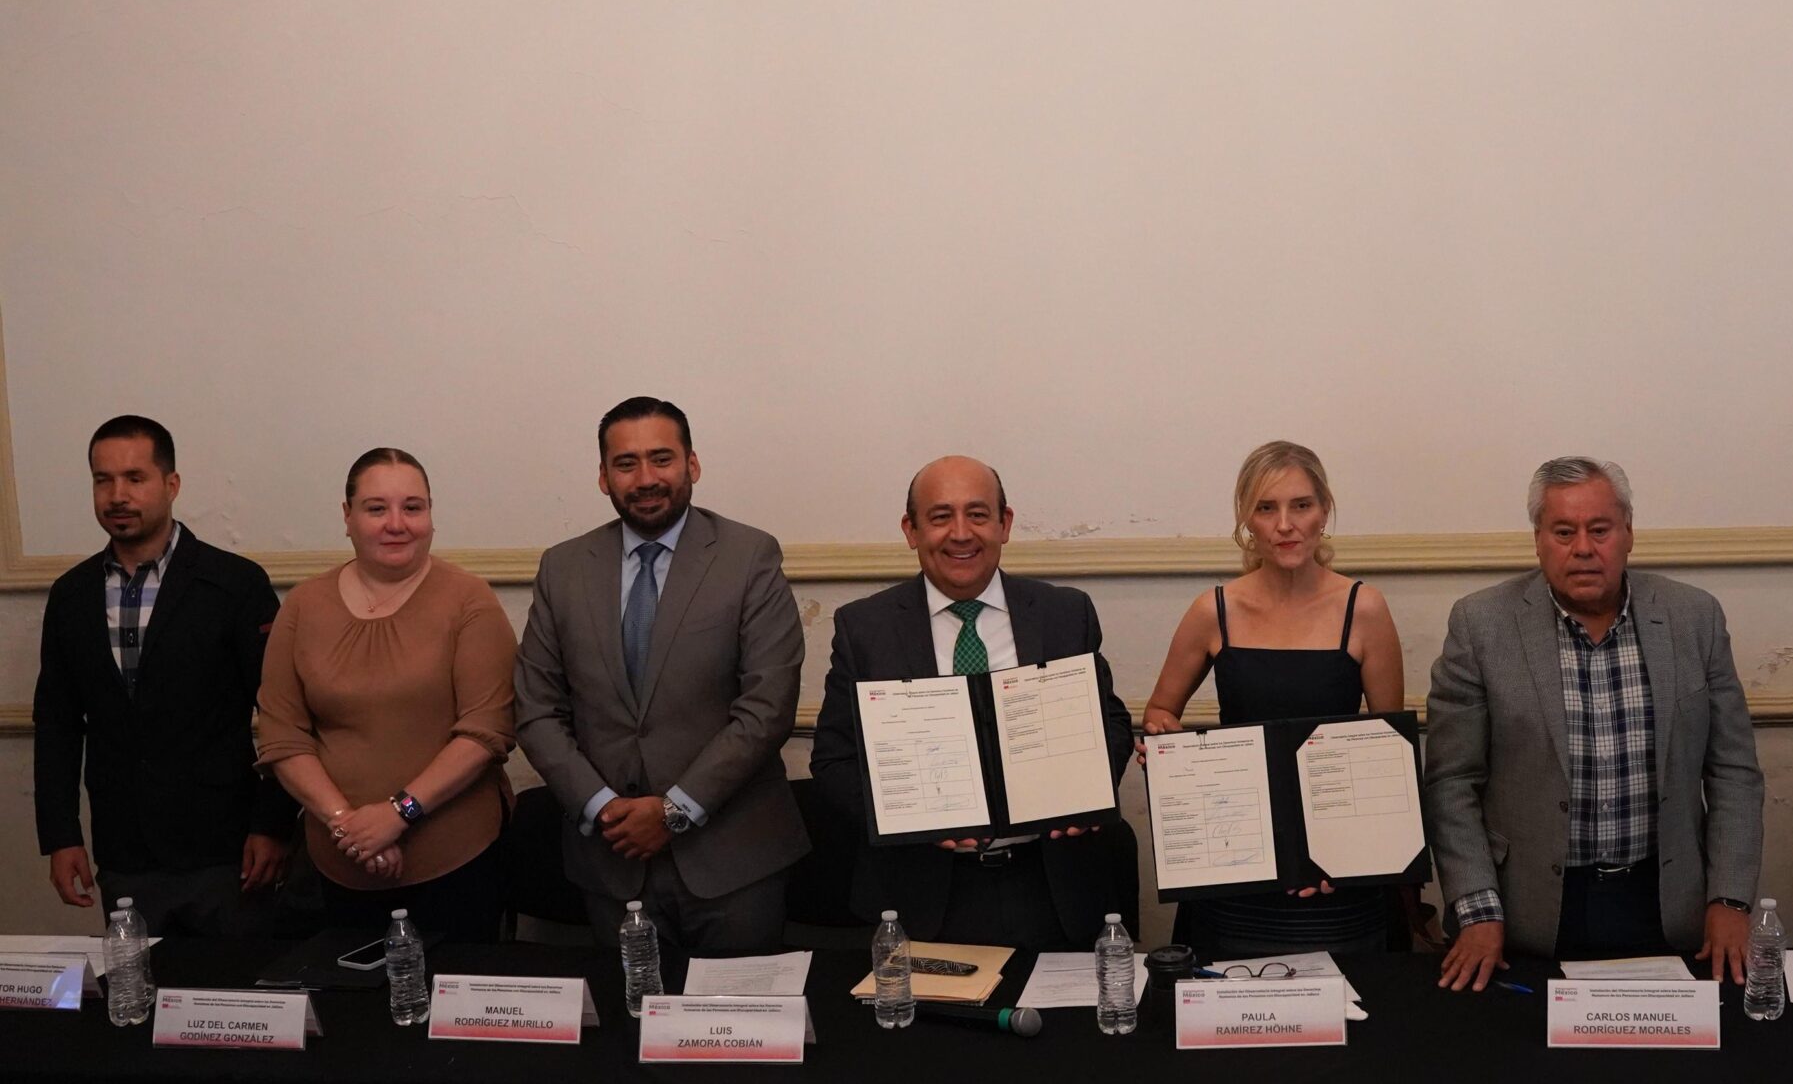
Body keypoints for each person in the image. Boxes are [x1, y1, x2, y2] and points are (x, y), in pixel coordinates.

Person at [1425, 457, 1766, 989]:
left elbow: (1734, 772)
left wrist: (1730, 898)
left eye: (1600, 530)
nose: (1583, 548)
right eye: (1564, 532)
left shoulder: (1694, 618)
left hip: (1670, 906)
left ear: (1628, 533)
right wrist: (1477, 908)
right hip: (1526, 915)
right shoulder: (1481, 625)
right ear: (1538, 540)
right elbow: (1452, 782)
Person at [515, 398, 809, 953]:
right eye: (626, 464)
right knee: (630, 1008)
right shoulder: (563, 567)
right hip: (611, 860)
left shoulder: (749, 556)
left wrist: (673, 810)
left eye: (662, 458)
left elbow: (767, 707)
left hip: (733, 863)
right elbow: (536, 709)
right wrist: (602, 807)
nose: (646, 478)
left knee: (739, 1011)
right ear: (603, 477)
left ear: (692, 464)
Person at [810, 456, 1137, 952]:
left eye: (978, 514)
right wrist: (906, 818)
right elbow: (834, 761)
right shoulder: (865, 629)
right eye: (941, 517)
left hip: (1053, 887)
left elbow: (1110, 723)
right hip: (921, 892)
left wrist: (1088, 790)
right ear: (911, 530)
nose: (961, 533)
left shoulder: (1065, 613)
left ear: (1005, 524)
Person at [1140, 441, 1413, 959]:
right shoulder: (1213, 610)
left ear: (1324, 511)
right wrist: (1163, 740)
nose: (1285, 525)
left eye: (1300, 505)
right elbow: (1159, 712)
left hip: (1337, 871)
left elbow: (1386, 754)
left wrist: (1351, 855)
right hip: (1235, 861)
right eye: (1266, 508)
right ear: (1247, 520)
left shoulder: (1364, 609)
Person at [33, 416, 294, 936]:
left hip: (226, 848)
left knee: (235, 986)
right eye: (103, 480)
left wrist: (273, 825)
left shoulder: (234, 584)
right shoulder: (71, 595)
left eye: (135, 478)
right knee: (136, 987)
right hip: (125, 851)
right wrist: (61, 836)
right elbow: (57, 723)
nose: (117, 495)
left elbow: (283, 713)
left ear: (171, 485)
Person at [255, 449, 516, 941]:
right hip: (339, 862)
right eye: (376, 508)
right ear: (347, 516)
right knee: (348, 989)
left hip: (457, 861)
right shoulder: (304, 606)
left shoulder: (469, 600)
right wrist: (348, 827)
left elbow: (486, 732)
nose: (397, 524)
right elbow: (282, 736)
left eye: (413, 508)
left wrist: (398, 814)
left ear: (431, 515)